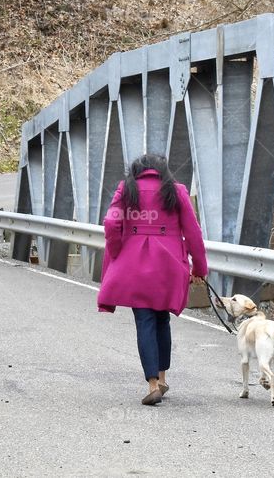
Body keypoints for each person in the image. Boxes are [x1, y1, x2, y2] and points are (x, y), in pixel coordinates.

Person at [96, 153, 208, 405]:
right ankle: (163, 377)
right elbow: (193, 233)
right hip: (168, 266)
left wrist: (116, 252)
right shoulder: (176, 191)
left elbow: (111, 223)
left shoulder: (127, 189)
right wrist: (199, 267)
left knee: (144, 320)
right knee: (162, 319)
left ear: (136, 171)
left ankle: (152, 384)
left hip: (134, 265)